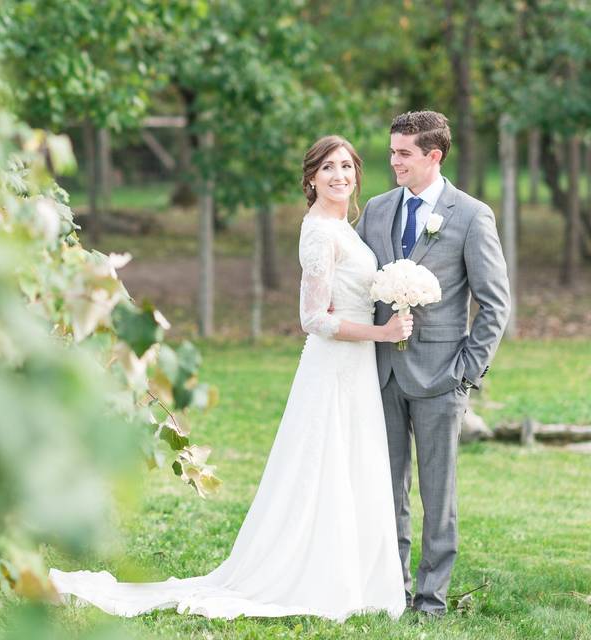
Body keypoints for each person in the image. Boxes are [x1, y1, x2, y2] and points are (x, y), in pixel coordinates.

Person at [49, 136, 411, 622]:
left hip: (357, 365)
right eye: (328, 168)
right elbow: (313, 319)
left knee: (351, 464)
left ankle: (362, 576)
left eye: (346, 166)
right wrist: (383, 332)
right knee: (325, 465)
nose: (339, 175)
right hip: (334, 366)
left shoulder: (343, 227)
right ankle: (324, 576)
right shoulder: (320, 233)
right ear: (310, 179)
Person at [356, 111, 510, 617]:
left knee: (437, 494)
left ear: (433, 156)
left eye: (404, 153)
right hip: (381, 372)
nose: (393, 161)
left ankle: (431, 599)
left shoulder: (469, 215)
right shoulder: (377, 210)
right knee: (387, 488)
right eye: (392, 151)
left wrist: (468, 369)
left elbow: (494, 303)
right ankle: (392, 589)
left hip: (443, 376)